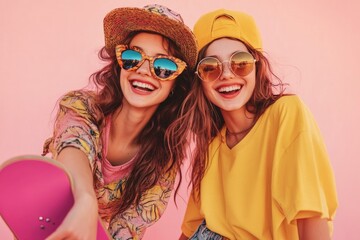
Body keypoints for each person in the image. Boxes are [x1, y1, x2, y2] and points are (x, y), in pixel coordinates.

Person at [42, 4, 198, 239]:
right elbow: (73, 147)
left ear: (177, 84)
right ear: (119, 64)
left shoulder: (163, 164)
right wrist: (86, 201)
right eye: (133, 56)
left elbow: (125, 232)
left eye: (163, 66)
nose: (144, 70)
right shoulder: (80, 106)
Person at [179, 9, 338, 240]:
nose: (226, 75)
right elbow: (190, 229)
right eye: (210, 67)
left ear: (257, 67)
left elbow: (311, 212)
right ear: (199, 79)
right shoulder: (211, 144)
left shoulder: (286, 113)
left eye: (240, 63)